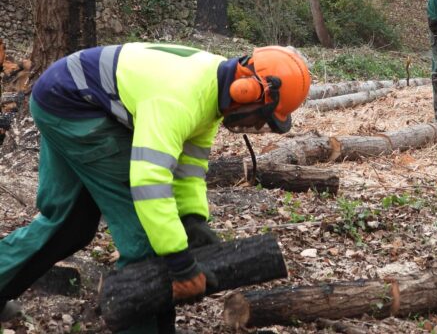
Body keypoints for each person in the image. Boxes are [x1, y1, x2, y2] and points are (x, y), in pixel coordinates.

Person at [0, 42, 311, 333]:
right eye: (262, 115)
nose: (256, 125)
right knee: (145, 237)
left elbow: (188, 170)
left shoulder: (211, 93)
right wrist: (179, 261)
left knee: (69, 225)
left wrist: (192, 219)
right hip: (73, 104)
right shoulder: (179, 97)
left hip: (60, 95)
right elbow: (149, 181)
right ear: (246, 90)